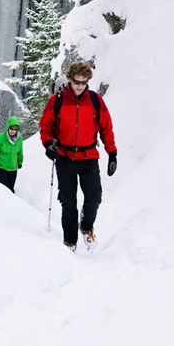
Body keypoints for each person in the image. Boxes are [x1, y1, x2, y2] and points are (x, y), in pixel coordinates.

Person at [39, 61, 117, 250]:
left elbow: (106, 128)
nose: (80, 86)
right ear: (69, 80)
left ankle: (86, 225)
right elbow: (45, 127)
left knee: (94, 196)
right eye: (76, 82)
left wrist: (112, 153)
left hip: (89, 156)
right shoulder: (56, 100)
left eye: (84, 82)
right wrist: (49, 144)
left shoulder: (95, 100)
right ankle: (70, 241)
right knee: (68, 202)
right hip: (64, 157)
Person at [0, 115, 23, 192]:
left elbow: (20, 151)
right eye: (11, 128)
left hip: (13, 168)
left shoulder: (19, 138)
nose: (13, 131)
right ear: (7, 127)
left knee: (11, 190)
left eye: (15, 129)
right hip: (1, 167)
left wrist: (20, 162)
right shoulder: (0, 137)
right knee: (4, 190)